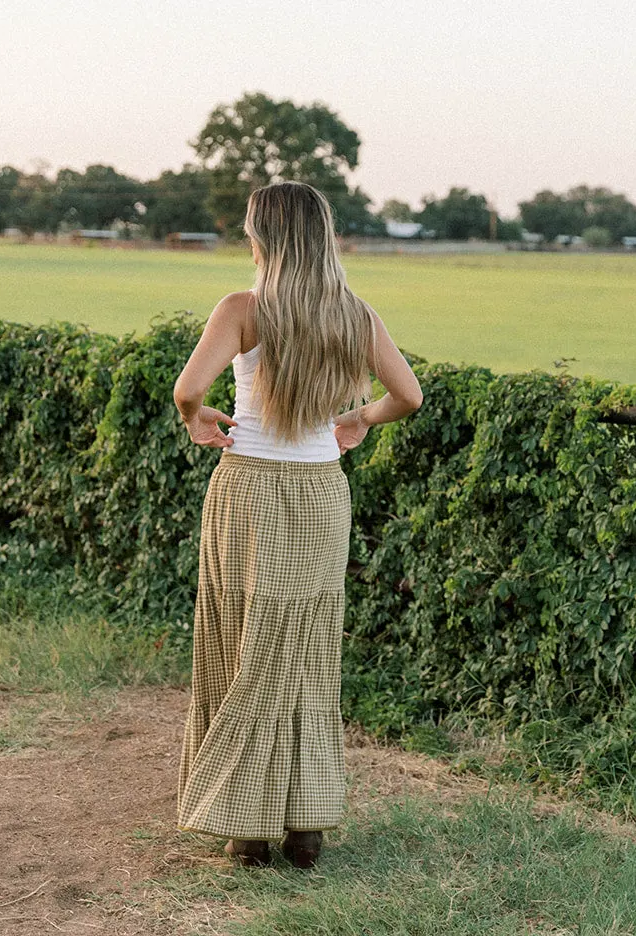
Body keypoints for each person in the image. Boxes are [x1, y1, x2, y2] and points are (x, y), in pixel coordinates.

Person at [173, 180, 423, 870]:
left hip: (247, 486)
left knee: (242, 638)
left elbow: (190, 387)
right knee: (306, 648)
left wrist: (195, 417)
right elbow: (408, 395)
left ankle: (245, 827)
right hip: (320, 494)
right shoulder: (355, 315)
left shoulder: (242, 309)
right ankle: (303, 824)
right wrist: (359, 418)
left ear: (261, 239)